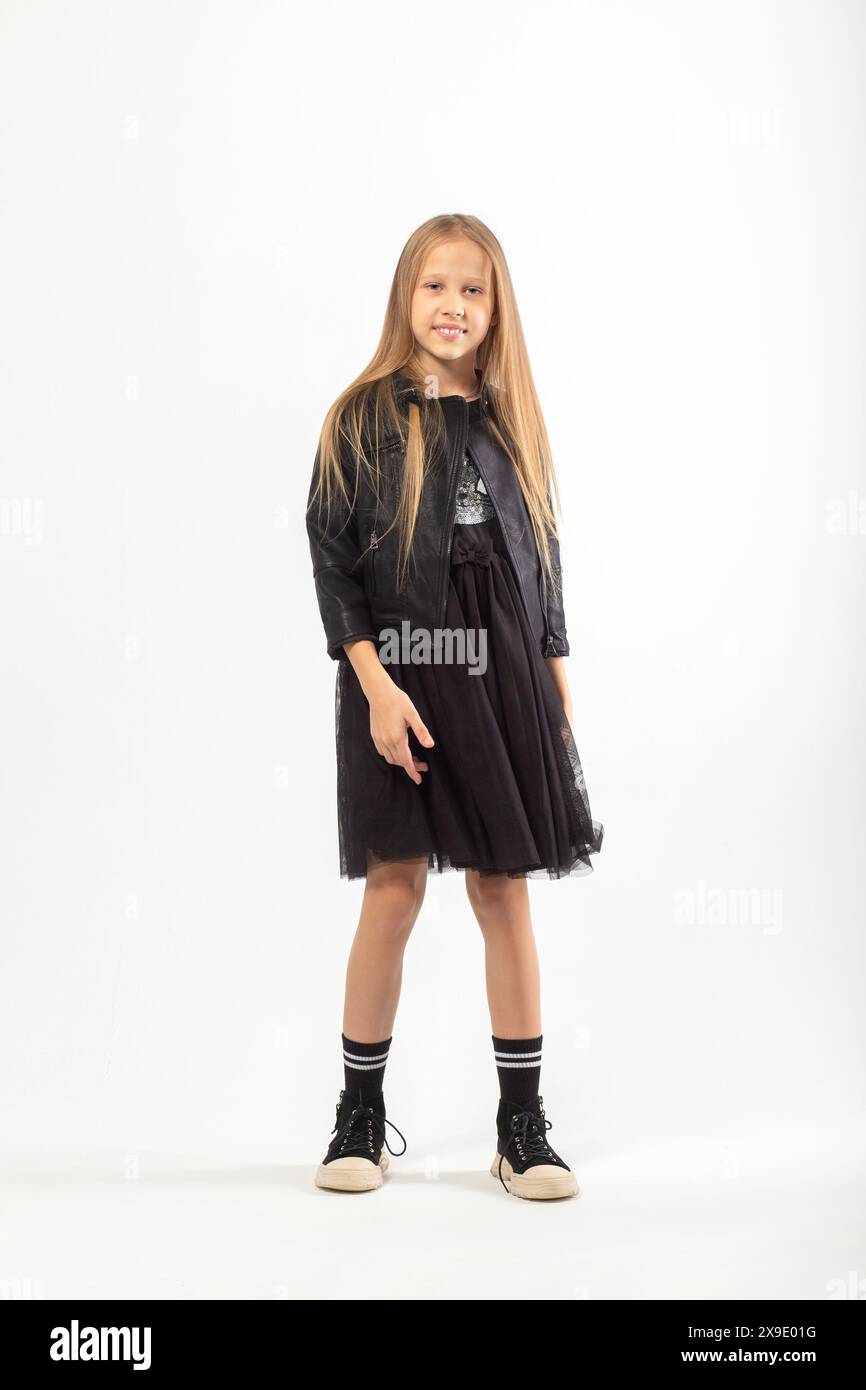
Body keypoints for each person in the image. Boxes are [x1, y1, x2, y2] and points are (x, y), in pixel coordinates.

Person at [305, 214, 603, 1199]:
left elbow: (542, 556)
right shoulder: (362, 418)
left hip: (500, 676)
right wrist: (375, 684)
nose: (451, 306)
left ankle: (520, 1129)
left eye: (471, 290)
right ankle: (357, 1117)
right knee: (393, 888)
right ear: (405, 296)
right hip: (396, 670)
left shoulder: (510, 419)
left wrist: (551, 665)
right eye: (434, 286)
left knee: (499, 889)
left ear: (494, 307)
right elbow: (334, 558)